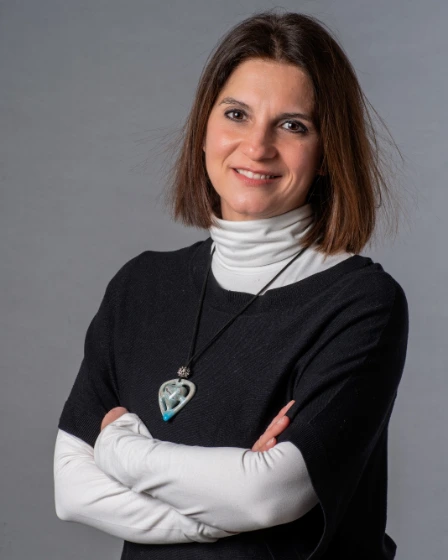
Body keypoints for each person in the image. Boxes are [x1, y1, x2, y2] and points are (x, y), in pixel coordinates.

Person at [53, 10, 409, 560]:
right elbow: (72, 490)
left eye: (293, 125)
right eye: (237, 114)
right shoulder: (139, 287)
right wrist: (224, 500)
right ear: (204, 129)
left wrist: (120, 450)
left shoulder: (362, 304)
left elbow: (268, 495)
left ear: (326, 155)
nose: (257, 146)